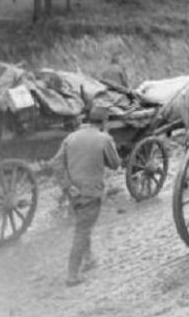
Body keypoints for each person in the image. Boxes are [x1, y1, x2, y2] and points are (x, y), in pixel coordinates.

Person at [48, 106, 120, 287]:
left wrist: (67, 186)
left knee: (83, 224)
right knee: (82, 231)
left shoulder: (70, 138)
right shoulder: (104, 138)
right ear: (103, 122)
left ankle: (89, 259)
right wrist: (109, 141)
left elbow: (56, 163)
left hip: (74, 193)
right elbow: (115, 164)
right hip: (91, 193)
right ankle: (72, 275)